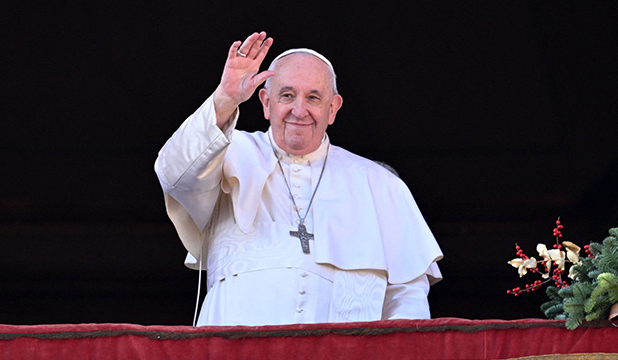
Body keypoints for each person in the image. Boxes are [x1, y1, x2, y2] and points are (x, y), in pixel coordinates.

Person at [155, 32, 443, 326]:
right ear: (266, 102)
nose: (299, 110)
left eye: (314, 98)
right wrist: (225, 99)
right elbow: (175, 173)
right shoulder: (227, 153)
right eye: (287, 95)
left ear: (333, 108)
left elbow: (407, 298)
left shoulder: (380, 185)